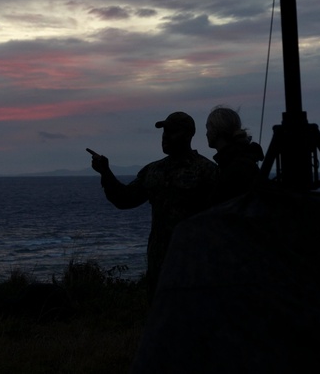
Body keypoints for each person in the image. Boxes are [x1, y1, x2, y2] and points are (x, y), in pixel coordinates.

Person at [88, 112, 218, 299]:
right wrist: (105, 172)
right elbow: (125, 199)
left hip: (194, 264)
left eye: (172, 132)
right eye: (164, 131)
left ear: (188, 135)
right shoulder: (154, 171)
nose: (165, 136)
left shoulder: (207, 171)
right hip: (160, 265)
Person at [205, 105, 264, 204]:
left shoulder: (236, 166)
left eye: (208, 128)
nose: (206, 134)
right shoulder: (239, 161)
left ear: (216, 131)